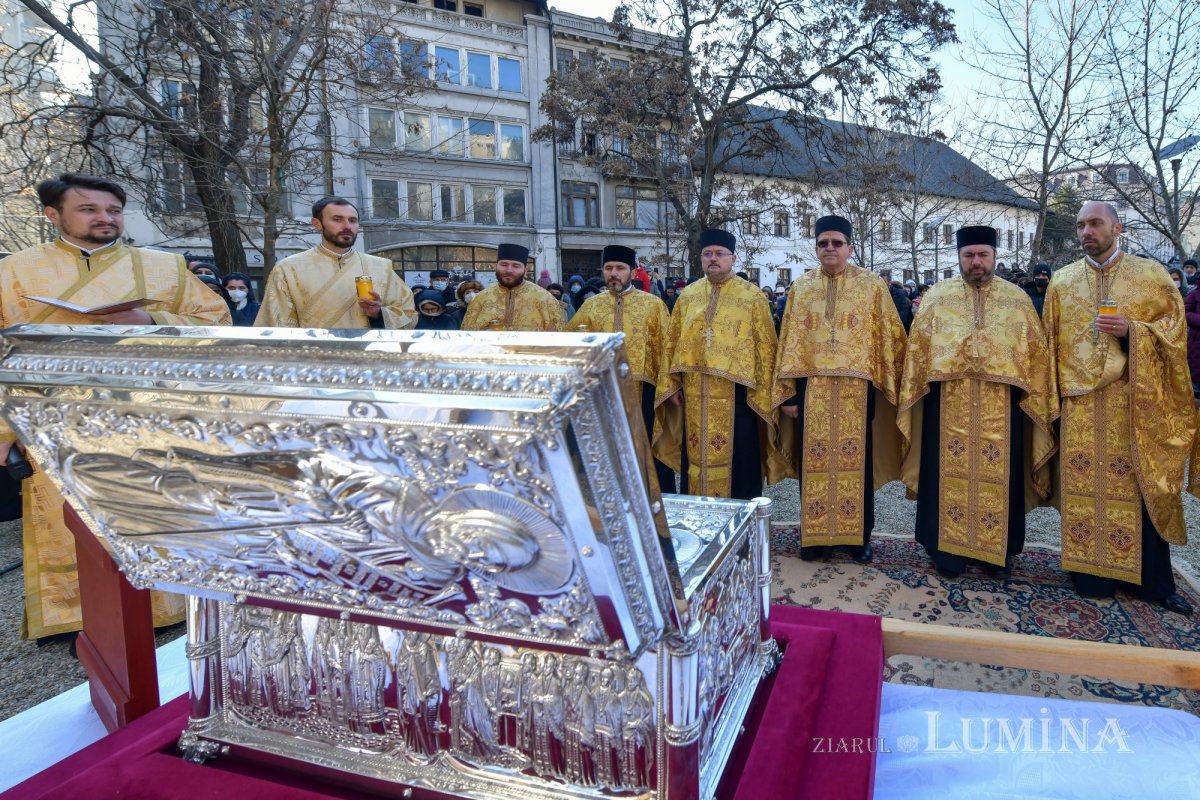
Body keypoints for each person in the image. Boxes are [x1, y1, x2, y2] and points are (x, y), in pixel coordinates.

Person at [0, 173, 231, 640]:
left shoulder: (164, 266)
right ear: (53, 215)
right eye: (89, 209)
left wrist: (151, 318)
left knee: (154, 506)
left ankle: (167, 607)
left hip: (150, 411)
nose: (105, 218)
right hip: (53, 416)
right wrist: (5, 431)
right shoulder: (14, 271)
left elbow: (216, 319)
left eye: (113, 210)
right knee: (69, 514)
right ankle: (76, 619)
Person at [1043, 201, 1195, 615]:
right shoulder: (1062, 281)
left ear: (1117, 227)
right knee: (1084, 488)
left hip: (1135, 406)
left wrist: (1134, 333)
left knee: (1139, 485)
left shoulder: (1152, 276)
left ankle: (1152, 582)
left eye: (1095, 223)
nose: (1086, 232)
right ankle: (1091, 574)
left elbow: (1175, 336)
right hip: (1081, 408)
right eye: (1080, 226)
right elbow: (1049, 345)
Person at [898, 225, 1056, 579]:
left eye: (983, 255)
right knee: (944, 475)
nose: (976, 262)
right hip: (947, 407)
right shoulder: (937, 298)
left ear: (995, 257)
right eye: (969, 255)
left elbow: (1037, 360)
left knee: (1002, 475)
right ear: (959, 257)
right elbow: (916, 359)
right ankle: (946, 552)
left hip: (1002, 409)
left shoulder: (1018, 301)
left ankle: (996, 554)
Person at [772, 215, 907, 562]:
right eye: (823, 243)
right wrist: (788, 394)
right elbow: (788, 342)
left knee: (856, 465)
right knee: (812, 465)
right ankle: (814, 538)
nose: (829, 248)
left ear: (850, 247)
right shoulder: (800, 288)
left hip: (857, 394)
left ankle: (857, 538)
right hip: (811, 392)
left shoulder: (873, 286)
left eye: (836, 243)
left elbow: (889, 338)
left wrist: (886, 386)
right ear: (816, 248)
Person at [654, 229, 788, 499]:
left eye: (719, 254)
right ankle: (701, 526)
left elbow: (766, 347)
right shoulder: (688, 297)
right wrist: (674, 383)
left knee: (741, 466)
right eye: (707, 254)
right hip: (694, 396)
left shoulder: (752, 297)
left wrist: (765, 393)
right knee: (695, 461)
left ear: (733, 258)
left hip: (739, 397)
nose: (713, 259)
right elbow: (673, 343)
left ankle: (742, 533)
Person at [568, 245, 677, 494]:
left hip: (644, 393)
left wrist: (670, 387)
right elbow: (572, 345)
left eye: (620, 268)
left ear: (632, 272)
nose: (613, 273)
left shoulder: (653, 305)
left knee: (650, 459)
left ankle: (657, 520)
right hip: (601, 393)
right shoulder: (591, 306)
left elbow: (667, 348)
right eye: (608, 268)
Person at [256, 196, 416, 330]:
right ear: (317, 223)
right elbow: (276, 324)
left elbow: (408, 315)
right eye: (337, 219)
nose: (347, 226)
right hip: (314, 359)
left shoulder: (381, 267)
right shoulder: (289, 268)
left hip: (369, 358)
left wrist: (379, 314)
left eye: (352, 220)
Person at [460, 244, 562, 332]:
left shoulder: (546, 300)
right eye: (504, 264)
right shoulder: (480, 299)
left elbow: (558, 339)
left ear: (525, 270)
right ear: (496, 266)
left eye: (516, 266)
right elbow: (466, 336)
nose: (509, 270)